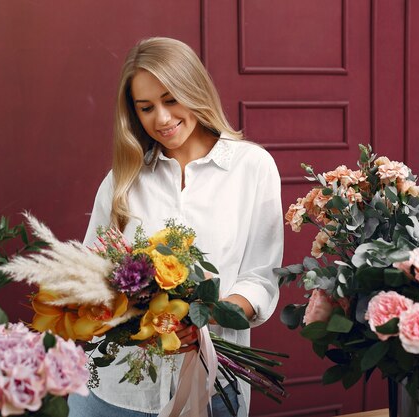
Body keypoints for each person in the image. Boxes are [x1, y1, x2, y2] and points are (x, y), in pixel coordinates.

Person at [69, 37, 283, 417]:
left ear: (194, 89)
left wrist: (200, 317)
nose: (162, 119)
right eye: (146, 107)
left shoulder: (252, 167)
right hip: (114, 393)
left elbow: (260, 278)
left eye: (171, 100)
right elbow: (93, 272)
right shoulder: (123, 180)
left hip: (210, 387)